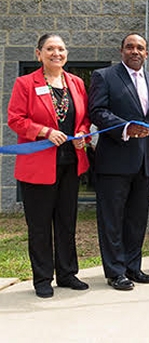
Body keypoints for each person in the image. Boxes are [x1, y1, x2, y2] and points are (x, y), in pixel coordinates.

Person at [7, 33, 90, 298]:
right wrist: (43, 131)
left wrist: (83, 137)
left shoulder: (76, 83)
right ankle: (42, 278)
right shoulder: (25, 83)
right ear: (38, 53)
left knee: (67, 222)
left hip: (70, 163)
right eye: (50, 49)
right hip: (38, 166)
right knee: (40, 225)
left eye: (61, 48)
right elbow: (15, 119)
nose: (57, 53)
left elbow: (85, 119)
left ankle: (67, 273)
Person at [89, 33, 149, 290]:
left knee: (136, 219)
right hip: (114, 161)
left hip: (144, 162)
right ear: (122, 50)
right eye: (130, 47)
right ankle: (115, 271)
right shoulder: (105, 76)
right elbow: (98, 112)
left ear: (147, 53)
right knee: (112, 220)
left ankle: (133, 267)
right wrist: (126, 128)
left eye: (140, 48)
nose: (135, 51)